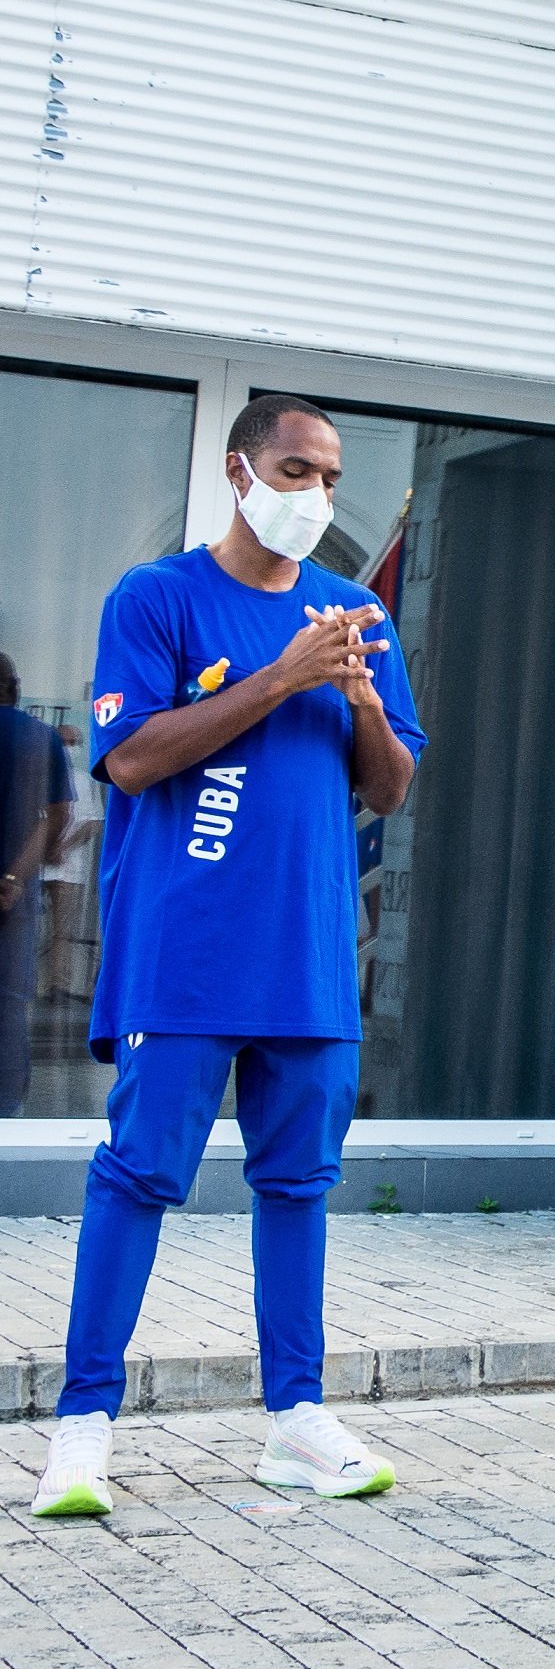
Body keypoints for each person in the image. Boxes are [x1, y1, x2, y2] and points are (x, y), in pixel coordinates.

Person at [31, 395, 423, 1522]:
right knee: (141, 1175)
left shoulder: (356, 613)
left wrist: (357, 699)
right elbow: (134, 755)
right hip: (187, 952)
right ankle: (84, 1428)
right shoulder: (156, 598)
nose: (316, 495)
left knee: (298, 1186)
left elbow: (391, 785)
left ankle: (296, 1420)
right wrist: (282, 676)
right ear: (239, 471)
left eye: (331, 476)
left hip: (304, 956)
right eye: (296, 470)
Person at [0, 653, 73, 1117]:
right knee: (9, 1008)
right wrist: (16, 876)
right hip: (16, 895)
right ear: (14, 687)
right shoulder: (38, 736)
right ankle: (7, 1113)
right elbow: (56, 815)